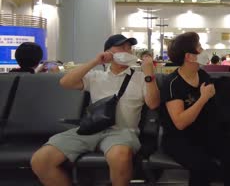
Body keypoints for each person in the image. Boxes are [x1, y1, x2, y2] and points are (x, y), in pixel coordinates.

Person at [30, 34, 160, 186]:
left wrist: (149, 74)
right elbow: (65, 82)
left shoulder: (140, 77)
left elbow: (153, 104)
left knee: (120, 156)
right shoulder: (96, 76)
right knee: (41, 160)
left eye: (129, 48)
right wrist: (95, 61)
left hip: (122, 132)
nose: (127, 51)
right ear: (107, 52)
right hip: (90, 129)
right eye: (121, 47)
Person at [160, 32, 230, 186]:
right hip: (178, 139)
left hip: (202, 132)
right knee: (203, 166)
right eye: (199, 47)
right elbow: (180, 122)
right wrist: (203, 98)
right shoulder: (172, 83)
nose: (203, 49)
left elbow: (214, 84)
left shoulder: (201, 74)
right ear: (189, 56)